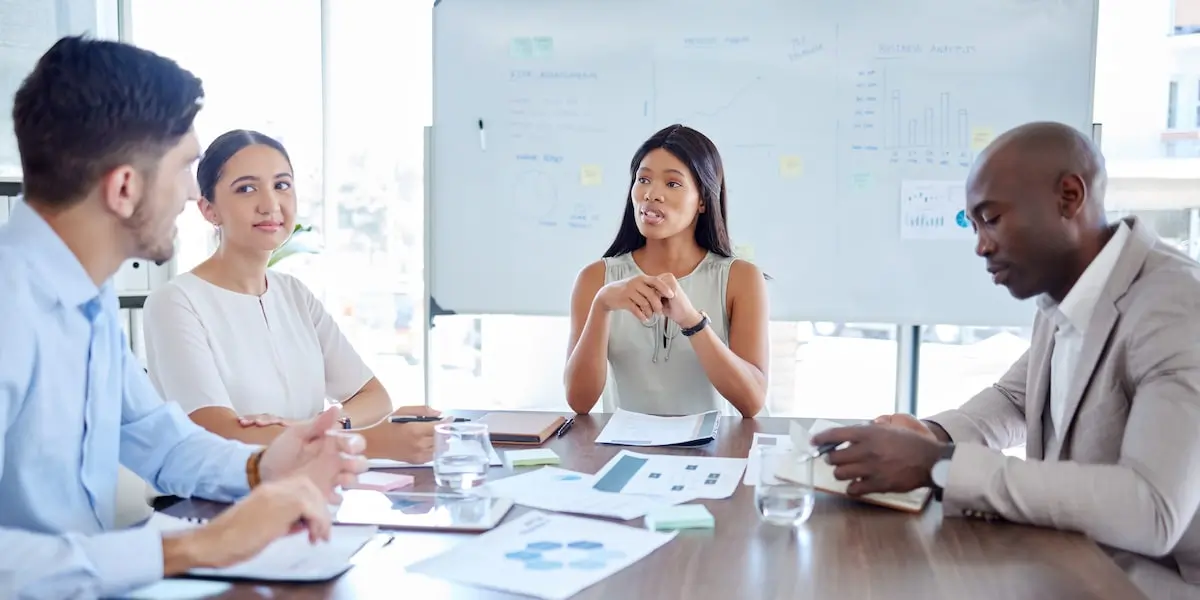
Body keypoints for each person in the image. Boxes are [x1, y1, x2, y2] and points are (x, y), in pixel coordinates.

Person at [0, 36, 367, 599]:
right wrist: (195, 547)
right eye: (184, 170)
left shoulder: (85, 295)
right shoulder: (11, 307)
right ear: (125, 188)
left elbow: (157, 438)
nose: (189, 197)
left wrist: (265, 465)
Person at [811, 121, 1200, 598]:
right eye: (973, 226)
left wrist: (941, 465)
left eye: (991, 219)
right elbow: (1016, 401)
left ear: (1068, 197)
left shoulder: (1177, 306)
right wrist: (927, 436)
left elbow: (1153, 509)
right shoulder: (1068, 293)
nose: (981, 245)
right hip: (1074, 559)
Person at [143, 129, 441, 464]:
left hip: (304, 489)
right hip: (212, 505)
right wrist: (367, 441)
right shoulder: (176, 302)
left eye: (282, 185)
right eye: (246, 189)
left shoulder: (294, 294)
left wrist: (316, 426)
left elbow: (373, 397)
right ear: (209, 210)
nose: (270, 205)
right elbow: (220, 433)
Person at [564, 124, 769, 417]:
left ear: (702, 200)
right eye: (643, 179)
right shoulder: (595, 279)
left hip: (715, 453)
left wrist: (691, 321)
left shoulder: (741, 279)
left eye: (672, 184)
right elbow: (579, 401)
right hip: (625, 451)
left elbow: (752, 403)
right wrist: (602, 306)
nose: (651, 194)